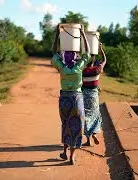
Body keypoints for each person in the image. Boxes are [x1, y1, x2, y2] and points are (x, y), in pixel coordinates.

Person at [51, 24, 91, 165]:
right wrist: (83, 34)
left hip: (64, 99)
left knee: (65, 124)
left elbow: (54, 52)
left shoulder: (61, 66)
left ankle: (64, 151)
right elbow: (87, 52)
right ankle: (72, 156)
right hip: (77, 98)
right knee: (76, 126)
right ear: (75, 56)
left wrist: (57, 35)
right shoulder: (79, 66)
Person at [82, 43, 107, 146]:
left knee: (86, 117)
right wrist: (101, 49)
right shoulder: (98, 69)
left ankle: (88, 141)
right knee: (95, 115)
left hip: (85, 95)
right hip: (94, 96)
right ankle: (95, 134)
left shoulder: (83, 70)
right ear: (94, 61)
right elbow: (105, 60)